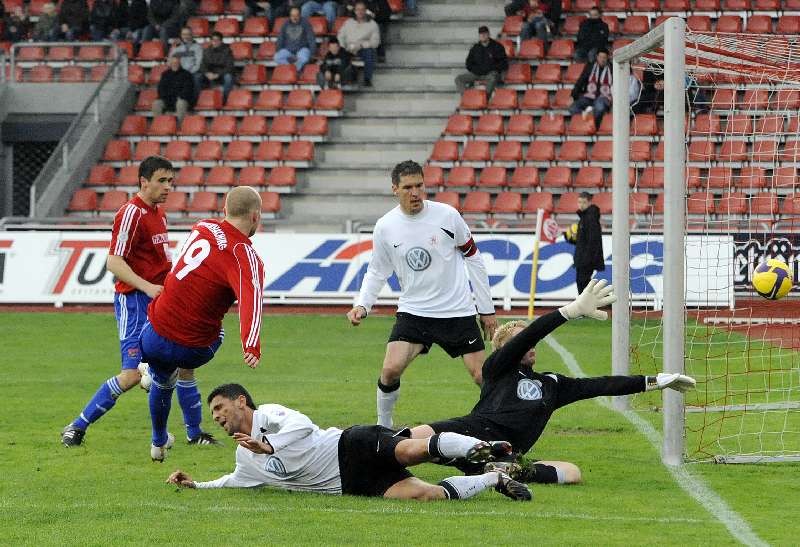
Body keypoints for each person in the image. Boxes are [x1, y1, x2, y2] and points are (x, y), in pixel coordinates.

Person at [410, 280, 697, 484]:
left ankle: (505, 471)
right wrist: (568, 312)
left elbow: (600, 385)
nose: (530, 345)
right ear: (505, 349)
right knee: (411, 437)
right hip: (470, 431)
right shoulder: (497, 367)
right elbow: (530, 334)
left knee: (572, 473)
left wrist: (653, 381)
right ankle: (378, 453)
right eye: (521, 341)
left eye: (531, 342)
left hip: (507, 449)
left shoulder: (551, 384)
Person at [61, 156, 216, 449]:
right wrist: (148, 287)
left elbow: (160, 262)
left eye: (171, 181)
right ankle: (77, 426)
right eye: (162, 181)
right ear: (144, 181)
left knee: (184, 364)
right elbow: (113, 261)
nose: (168, 187)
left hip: (161, 300)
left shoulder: (159, 213)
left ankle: (194, 435)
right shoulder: (131, 213)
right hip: (134, 302)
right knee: (132, 375)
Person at [166, 383, 532, 501]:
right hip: (351, 484)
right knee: (424, 495)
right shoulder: (243, 456)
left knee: (411, 450)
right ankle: (494, 478)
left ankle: (475, 447)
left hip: (349, 445)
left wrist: (270, 445)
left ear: (241, 402)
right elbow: (233, 481)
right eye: (212, 413)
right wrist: (196, 484)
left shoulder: (270, 415)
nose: (215, 416)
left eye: (219, 407)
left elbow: (305, 426)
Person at [346, 160, 497, 429]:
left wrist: (486, 309)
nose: (415, 193)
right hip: (415, 312)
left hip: (457, 311)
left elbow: (473, 257)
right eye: (408, 187)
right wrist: (363, 305)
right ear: (395, 189)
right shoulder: (386, 226)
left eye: (419, 185)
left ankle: (503, 422)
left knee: (482, 376)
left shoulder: (447, 216)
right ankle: (384, 428)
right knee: (390, 370)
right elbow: (378, 270)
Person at [140, 186, 266, 461]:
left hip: (154, 332)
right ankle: (159, 378)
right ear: (255, 217)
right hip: (192, 348)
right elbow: (252, 300)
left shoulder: (203, 226)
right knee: (216, 330)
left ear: (224, 211)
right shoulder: (244, 255)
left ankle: (158, 442)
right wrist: (251, 344)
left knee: (162, 380)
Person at [454, 25, 508, 98]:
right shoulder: (475, 48)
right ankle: (467, 98)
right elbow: (468, 63)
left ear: (488, 34)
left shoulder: (497, 46)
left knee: (493, 77)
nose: (483, 36)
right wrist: (476, 70)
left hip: (491, 74)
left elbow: (504, 63)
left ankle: (484, 99)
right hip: (477, 74)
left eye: (485, 34)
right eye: (481, 34)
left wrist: (491, 68)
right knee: (459, 79)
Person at [568, 192, 605, 295]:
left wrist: (587, 259)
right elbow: (582, 241)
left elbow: (593, 240)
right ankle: (599, 301)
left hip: (586, 259)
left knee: (582, 282)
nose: (581, 205)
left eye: (584, 202)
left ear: (589, 202)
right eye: (579, 202)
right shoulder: (584, 217)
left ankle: (589, 304)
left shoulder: (590, 217)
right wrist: (568, 238)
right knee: (583, 283)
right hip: (583, 258)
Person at [337, 1, 380, 87]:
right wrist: (344, 46)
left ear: (365, 11)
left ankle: (367, 79)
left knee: (369, 53)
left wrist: (361, 45)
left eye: (362, 9)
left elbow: (375, 42)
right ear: (355, 11)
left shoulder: (372, 24)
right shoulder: (348, 22)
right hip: (348, 47)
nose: (360, 12)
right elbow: (340, 35)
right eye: (357, 9)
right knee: (340, 54)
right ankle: (342, 80)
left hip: (363, 48)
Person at [569, 47, 612, 127]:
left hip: (603, 97)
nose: (602, 60)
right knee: (572, 108)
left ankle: (591, 125)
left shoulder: (612, 68)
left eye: (604, 58)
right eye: (600, 57)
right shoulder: (590, 67)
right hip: (589, 96)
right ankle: (588, 115)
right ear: (597, 57)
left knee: (599, 108)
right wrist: (572, 95)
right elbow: (580, 81)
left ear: (607, 58)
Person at [195, 31, 235, 103]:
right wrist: (207, 73)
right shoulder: (206, 51)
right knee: (197, 76)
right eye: (213, 40)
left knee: (228, 77)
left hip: (221, 74)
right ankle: (199, 99)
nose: (215, 42)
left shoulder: (227, 51)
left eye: (217, 40)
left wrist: (218, 74)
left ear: (221, 41)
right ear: (211, 41)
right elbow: (202, 65)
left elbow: (230, 67)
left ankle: (224, 100)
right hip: (210, 75)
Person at [153, 55, 196, 122]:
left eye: (177, 63)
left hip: (181, 99)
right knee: (156, 103)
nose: (175, 64)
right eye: (173, 63)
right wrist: (165, 97)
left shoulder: (187, 74)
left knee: (180, 103)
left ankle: (180, 126)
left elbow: (188, 89)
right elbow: (160, 89)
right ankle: (159, 124)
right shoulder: (165, 74)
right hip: (167, 100)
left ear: (180, 63)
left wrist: (180, 97)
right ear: (170, 63)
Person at [275, 6, 317, 72]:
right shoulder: (285, 24)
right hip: (289, 50)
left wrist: (312, 53)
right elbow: (281, 37)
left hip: (302, 49)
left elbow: (311, 38)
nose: (294, 18)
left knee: (304, 58)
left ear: (300, 15)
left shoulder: (305, 23)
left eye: (297, 15)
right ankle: (294, 69)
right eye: (292, 15)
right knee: (277, 57)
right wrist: (278, 50)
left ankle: (292, 71)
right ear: (290, 16)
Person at [169, 26, 203, 96]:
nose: (186, 36)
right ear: (181, 35)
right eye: (184, 34)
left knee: (197, 77)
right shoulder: (177, 48)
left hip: (193, 72)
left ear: (192, 35)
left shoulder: (197, 47)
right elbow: (170, 62)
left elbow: (198, 64)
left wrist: (188, 73)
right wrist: (173, 48)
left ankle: (195, 100)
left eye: (188, 34)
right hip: (180, 72)